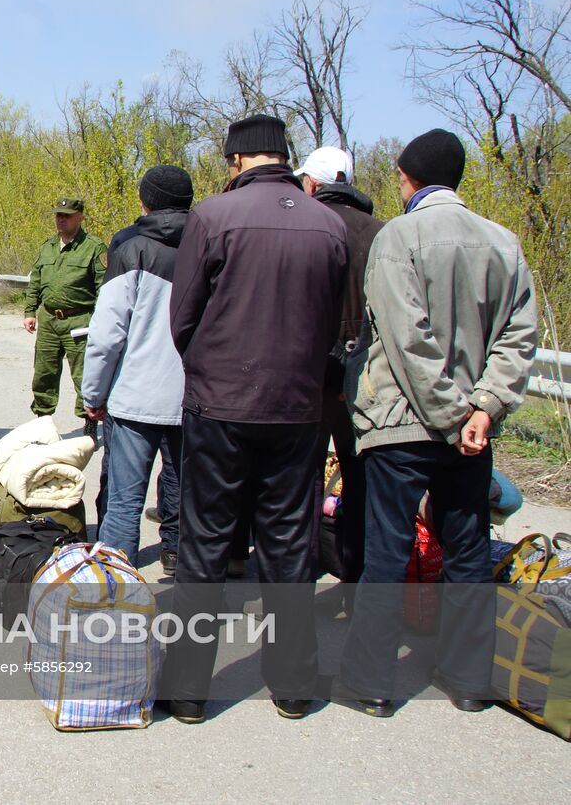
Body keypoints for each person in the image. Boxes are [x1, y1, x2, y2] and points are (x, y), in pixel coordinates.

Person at [336, 129, 537, 717]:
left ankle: (371, 683)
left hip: (404, 422)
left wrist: (452, 414)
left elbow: (407, 339)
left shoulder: (399, 237)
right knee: (468, 549)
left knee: (387, 550)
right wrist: (484, 407)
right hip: (471, 432)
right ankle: (469, 680)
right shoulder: (503, 242)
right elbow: (519, 336)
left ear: (410, 178)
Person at [160, 114, 348, 723]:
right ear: (285, 157)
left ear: (237, 160)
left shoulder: (213, 216)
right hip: (297, 408)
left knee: (205, 544)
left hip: (221, 405)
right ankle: (293, 686)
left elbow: (182, 318)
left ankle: (187, 691)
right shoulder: (328, 223)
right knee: (290, 546)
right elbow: (337, 323)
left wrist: (210, 369)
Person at [80, 166, 192, 572]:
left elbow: (106, 334)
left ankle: (116, 576)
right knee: (181, 486)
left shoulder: (132, 249)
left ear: (145, 201)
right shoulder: (211, 247)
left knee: (125, 498)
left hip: (136, 396)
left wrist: (94, 394)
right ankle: (175, 553)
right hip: (193, 396)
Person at [294, 145, 383, 590]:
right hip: (367, 375)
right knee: (360, 477)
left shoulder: (304, 226)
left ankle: (300, 578)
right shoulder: (382, 233)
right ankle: (356, 576)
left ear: (313, 183)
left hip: (310, 374)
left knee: (302, 479)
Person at [22, 197, 107, 435]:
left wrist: (100, 321)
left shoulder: (93, 247)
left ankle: (89, 425)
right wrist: (30, 311)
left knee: (84, 375)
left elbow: (103, 288)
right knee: (44, 374)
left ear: (80, 218)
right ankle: (42, 423)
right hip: (49, 320)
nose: (61, 219)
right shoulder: (48, 246)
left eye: (67, 216)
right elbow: (35, 281)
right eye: (58, 215)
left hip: (79, 321)